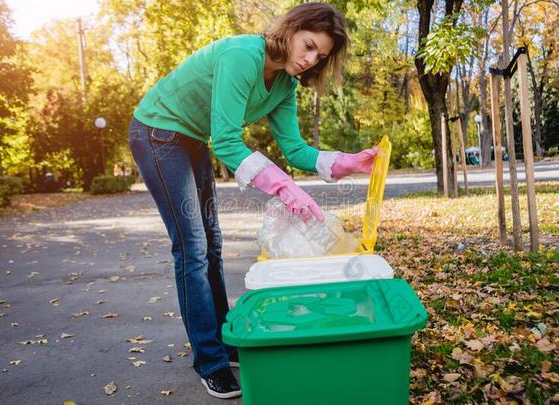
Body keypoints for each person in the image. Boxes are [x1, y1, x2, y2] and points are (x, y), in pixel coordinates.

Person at [128, 2, 378, 399]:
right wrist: (282, 187)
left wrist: (348, 163)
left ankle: (224, 343)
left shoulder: (285, 85)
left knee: (212, 244)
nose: (310, 60)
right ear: (292, 29)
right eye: (309, 45)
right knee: (191, 246)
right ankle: (209, 360)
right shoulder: (243, 55)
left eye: (321, 56)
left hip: (190, 138)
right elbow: (226, 139)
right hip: (157, 132)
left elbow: (294, 149)